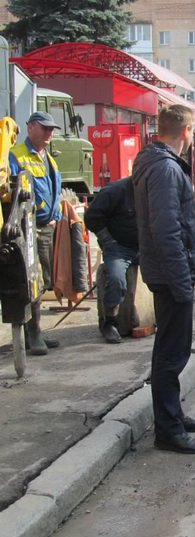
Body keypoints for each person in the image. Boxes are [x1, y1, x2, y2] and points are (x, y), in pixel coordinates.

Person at [132, 105, 195, 454]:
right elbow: (166, 231)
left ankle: (173, 415)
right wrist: (182, 281)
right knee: (171, 354)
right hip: (171, 275)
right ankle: (168, 430)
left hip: (168, 272)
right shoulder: (165, 168)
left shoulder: (157, 162)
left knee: (172, 350)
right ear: (187, 130)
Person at [9, 111, 63, 356]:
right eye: (45, 128)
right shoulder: (17, 155)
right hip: (29, 229)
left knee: (45, 280)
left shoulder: (47, 157)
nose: (49, 133)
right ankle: (33, 334)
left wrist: (57, 214)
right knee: (34, 281)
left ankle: (35, 331)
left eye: (51, 129)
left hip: (47, 227)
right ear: (30, 127)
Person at [83, 177, 138, 344]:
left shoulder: (155, 191)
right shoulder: (115, 191)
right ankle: (110, 322)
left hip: (145, 247)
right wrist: (107, 240)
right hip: (119, 248)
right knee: (116, 279)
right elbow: (91, 216)